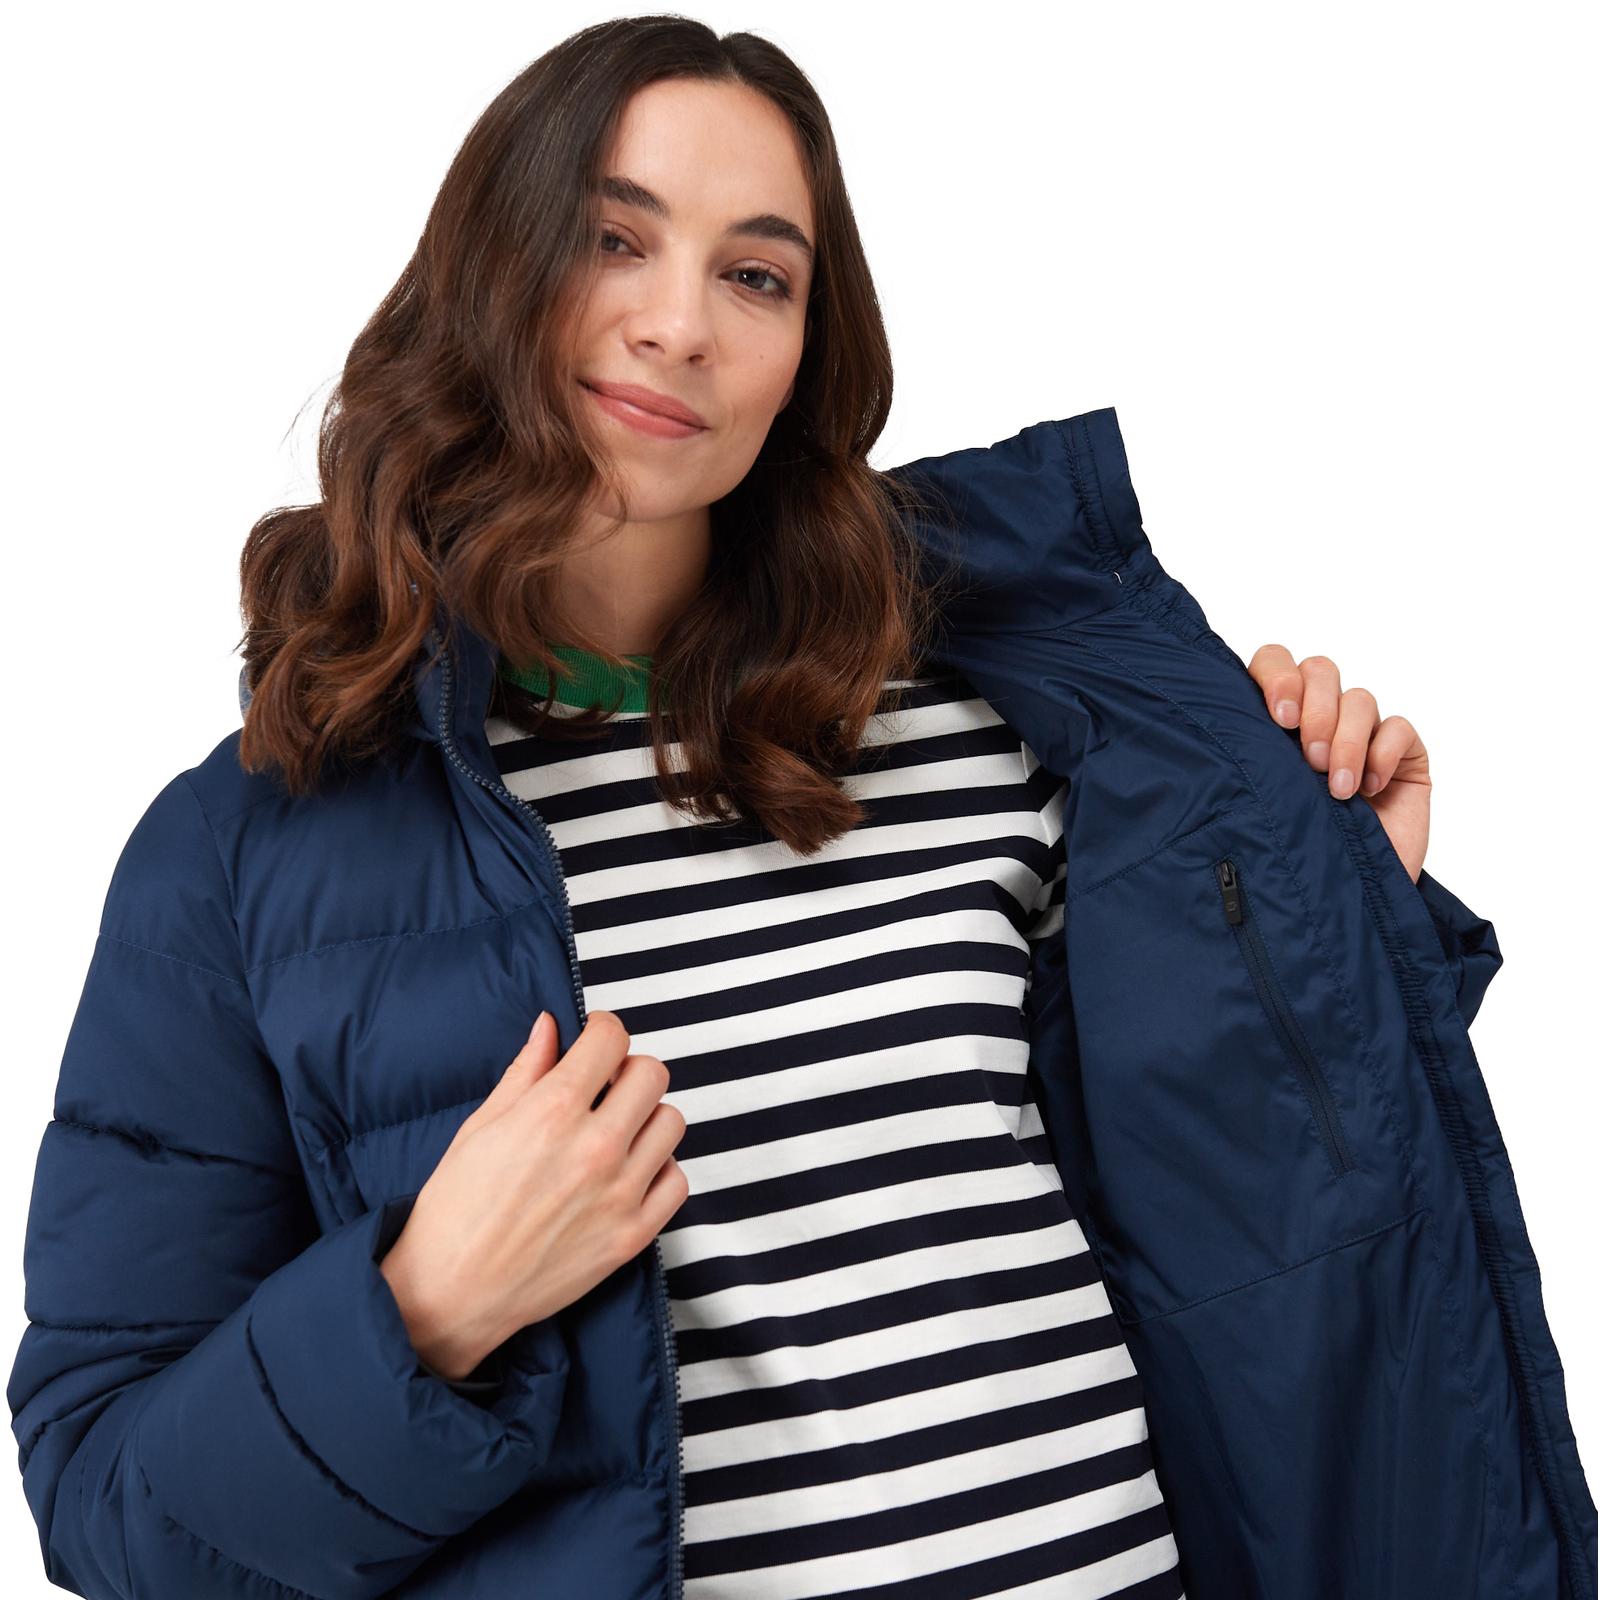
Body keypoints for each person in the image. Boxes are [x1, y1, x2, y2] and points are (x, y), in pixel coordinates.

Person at [13, 17, 1579, 1600]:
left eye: (756, 276)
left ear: (806, 356)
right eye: (614, 240)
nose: (679, 326)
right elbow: (103, 1495)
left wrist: (1323, 928)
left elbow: (1233, 1236)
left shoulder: (984, 715)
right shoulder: (243, 855)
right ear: (488, 269)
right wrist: (424, 1310)